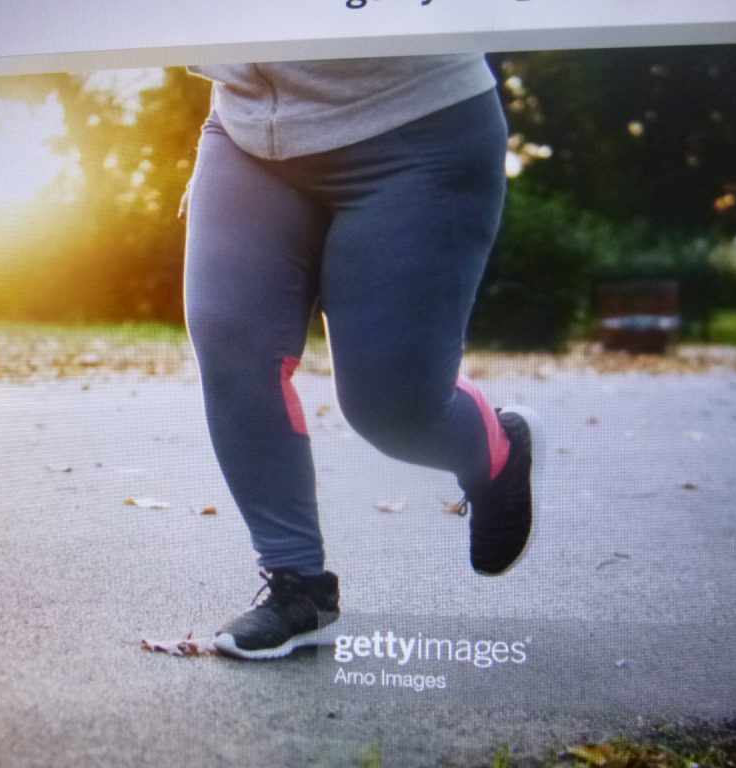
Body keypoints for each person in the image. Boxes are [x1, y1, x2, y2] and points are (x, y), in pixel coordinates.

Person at [182, 55, 544, 660]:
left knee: (391, 408)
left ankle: (495, 449)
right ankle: (296, 583)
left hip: (418, 126)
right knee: (232, 346)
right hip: (248, 129)